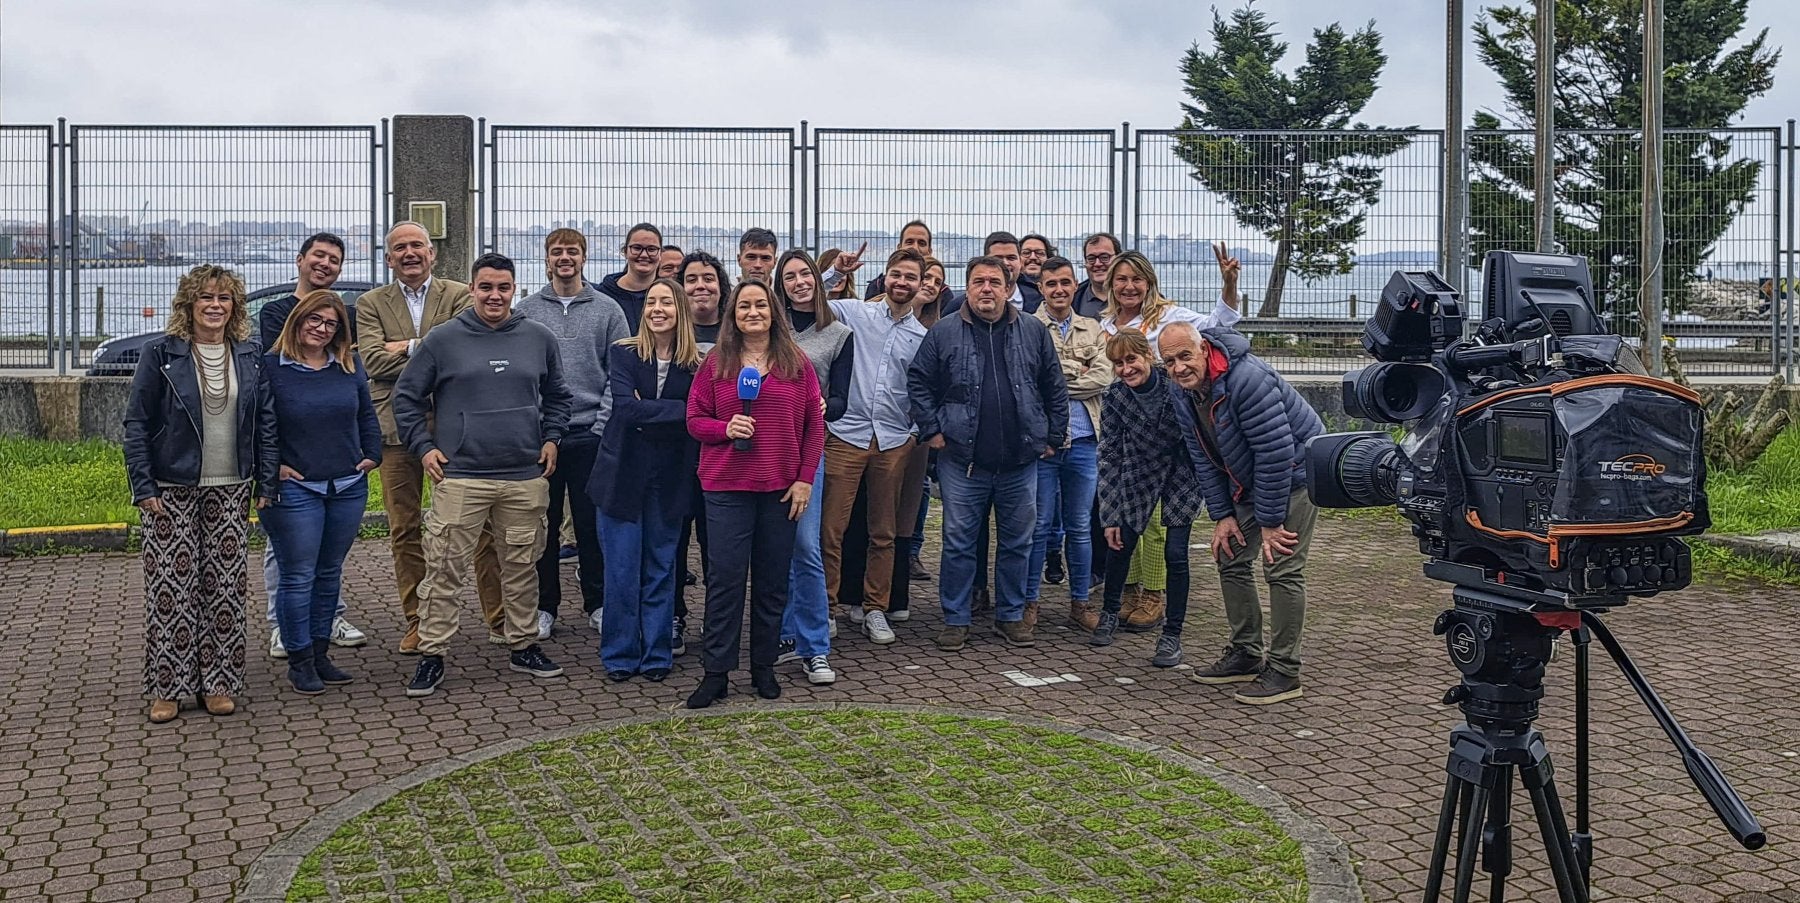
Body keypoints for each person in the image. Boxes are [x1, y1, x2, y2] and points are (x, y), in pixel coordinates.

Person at [392, 253, 573, 698]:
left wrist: (551, 438)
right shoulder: (443, 340)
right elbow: (407, 398)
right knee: (444, 568)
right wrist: (424, 447)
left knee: (521, 566)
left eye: (504, 288)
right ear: (471, 289)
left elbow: (558, 396)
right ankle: (432, 654)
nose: (495, 295)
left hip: (524, 475)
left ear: (515, 289)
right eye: (486, 287)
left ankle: (523, 644)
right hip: (462, 475)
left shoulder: (538, 337)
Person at [124, 264, 276, 723]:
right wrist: (143, 483)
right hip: (171, 487)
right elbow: (136, 424)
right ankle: (168, 687)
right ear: (188, 305)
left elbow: (265, 424)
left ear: (235, 307)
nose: (215, 306)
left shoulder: (249, 356)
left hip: (231, 487)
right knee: (172, 588)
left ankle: (219, 682)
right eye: (205, 297)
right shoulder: (160, 354)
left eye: (224, 298)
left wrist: (265, 482)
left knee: (225, 588)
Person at [356, 221, 509, 654]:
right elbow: (370, 361)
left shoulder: (460, 294)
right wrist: (430, 349)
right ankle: (418, 621)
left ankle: (499, 618)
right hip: (395, 430)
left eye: (417, 246)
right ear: (389, 258)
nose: (409, 253)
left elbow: (465, 353)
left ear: (432, 253)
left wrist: (403, 346)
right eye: (399, 247)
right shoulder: (370, 303)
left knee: (480, 526)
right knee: (404, 528)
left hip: (454, 426)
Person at [907, 255, 1068, 652]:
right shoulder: (944, 331)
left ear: (1008, 288)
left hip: (1020, 461)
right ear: (968, 287)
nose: (986, 289)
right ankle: (956, 619)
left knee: (1017, 542)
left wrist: (1052, 436)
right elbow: (918, 382)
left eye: (995, 282)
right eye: (978, 282)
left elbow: (1054, 385)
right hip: (963, 460)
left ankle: (1010, 616)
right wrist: (933, 431)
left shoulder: (1032, 330)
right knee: (958, 541)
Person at [1159, 322, 1322, 706]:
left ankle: (1284, 670)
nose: (1179, 367)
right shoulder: (1181, 390)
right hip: (1248, 478)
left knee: (1281, 567)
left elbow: (1276, 454)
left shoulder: (1247, 379)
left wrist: (1269, 523)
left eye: (1185, 356)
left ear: (1203, 350)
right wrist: (1222, 515)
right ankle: (1246, 652)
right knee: (1229, 554)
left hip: (1297, 473)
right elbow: (1202, 455)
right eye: (1169, 361)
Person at [684, 280, 824, 707]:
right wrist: (724, 429)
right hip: (726, 487)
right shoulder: (716, 364)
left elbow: (813, 427)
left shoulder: (797, 363)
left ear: (773, 312)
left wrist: (804, 480)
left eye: (760, 305)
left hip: (780, 490)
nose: (752, 312)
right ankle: (716, 673)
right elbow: (693, 419)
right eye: (743, 306)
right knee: (725, 582)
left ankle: (763, 667)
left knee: (771, 583)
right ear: (733, 314)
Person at [1095, 248, 1242, 628]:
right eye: (1122, 279)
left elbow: (1216, 327)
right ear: (1111, 284)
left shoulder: (1170, 317)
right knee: (1125, 524)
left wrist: (1228, 285)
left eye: (1136, 279)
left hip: (1165, 435)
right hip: (1123, 428)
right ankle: (1127, 592)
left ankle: (1154, 595)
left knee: (1160, 526)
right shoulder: (1104, 322)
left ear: (1149, 282)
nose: (1129, 287)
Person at [259, 290, 381, 695]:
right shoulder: (271, 368)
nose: (321, 329)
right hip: (295, 489)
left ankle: (321, 652)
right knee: (298, 575)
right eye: (314, 320)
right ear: (297, 319)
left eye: (330, 324)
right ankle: (299, 659)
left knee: (329, 572)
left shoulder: (348, 366)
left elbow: (365, 412)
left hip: (346, 485)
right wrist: (270, 467)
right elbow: (255, 424)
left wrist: (373, 454)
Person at [516, 228, 630, 640]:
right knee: (541, 529)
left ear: (584, 257)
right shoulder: (526, 310)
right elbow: (520, 375)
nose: (565, 258)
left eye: (573, 251)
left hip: (589, 435)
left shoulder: (607, 309)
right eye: (557, 252)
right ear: (546, 259)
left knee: (590, 527)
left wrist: (600, 428)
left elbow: (619, 376)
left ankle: (597, 603)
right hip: (542, 438)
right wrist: (538, 428)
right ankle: (545, 606)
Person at [592, 278, 702, 682]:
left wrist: (656, 410)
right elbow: (624, 409)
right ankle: (620, 654)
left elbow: (696, 417)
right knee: (621, 570)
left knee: (661, 567)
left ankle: (656, 653)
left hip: (670, 478)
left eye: (667, 303)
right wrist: (675, 412)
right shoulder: (623, 353)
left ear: (680, 311)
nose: (658, 309)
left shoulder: (697, 365)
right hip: (621, 475)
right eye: (652, 302)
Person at [821, 248, 929, 646]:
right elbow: (805, 296)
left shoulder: (922, 337)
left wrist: (914, 431)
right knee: (831, 529)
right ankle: (826, 607)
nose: (902, 283)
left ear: (921, 285)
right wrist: (835, 271)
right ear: (884, 277)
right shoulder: (855, 313)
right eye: (896, 275)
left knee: (883, 532)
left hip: (892, 441)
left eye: (910, 277)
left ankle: (875, 608)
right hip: (846, 435)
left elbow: (924, 388)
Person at [1090, 328, 1205, 668]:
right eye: (1118, 363)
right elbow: (1108, 454)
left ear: (1147, 357)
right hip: (1137, 472)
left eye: (1132, 360)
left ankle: (1172, 633)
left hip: (1181, 473)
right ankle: (1110, 612)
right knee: (1119, 542)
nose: (1126, 369)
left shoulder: (1176, 388)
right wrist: (1109, 514)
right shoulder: (1114, 397)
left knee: (1175, 553)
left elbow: (1201, 438)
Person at [773, 250, 854, 683]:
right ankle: (785, 634)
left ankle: (815, 645)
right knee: (775, 548)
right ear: (780, 284)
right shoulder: (768, 328)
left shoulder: (839, 334)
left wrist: (825, 406)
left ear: (818, 280)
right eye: (790, 276)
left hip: (809, 449)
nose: (800, 282)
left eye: (806, 274)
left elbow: (842, 400)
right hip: (763, 451)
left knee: (806, 545)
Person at [1026, 256, 1112, 632]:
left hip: (1084, 443)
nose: (1058, 290)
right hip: (1044, 445)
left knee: (1079, 527)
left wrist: (1058, 381)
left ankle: (1080, 603)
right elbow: (1029, 381)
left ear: (1074, 286)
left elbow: (1105, 376)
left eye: (1065, 283)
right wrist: (1078, 370)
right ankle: (1029, 603)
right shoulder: (1027, 326)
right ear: (1041, 288)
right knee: (1038, 526)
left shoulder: (1093, 327)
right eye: (1051, 284)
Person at [943, 231, 1040, 316]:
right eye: (998, 258)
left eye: (1011, 258)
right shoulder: (957, 307)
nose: (1005, 263)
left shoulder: (1039, 300)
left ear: (1020, 262)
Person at [598, 222, 663, 329]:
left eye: (651, 249)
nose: (644, 255)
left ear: (660, 254)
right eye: (637, 248)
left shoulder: (672, 295)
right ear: (625, 251)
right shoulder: (603, 295)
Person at [680, 250, 729, 352]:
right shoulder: (671, 333)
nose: (700, 286)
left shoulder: (735, 332)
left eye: (708, 279)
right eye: (692, 280)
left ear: (721, 287)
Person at [1074, 233, 1121, 320]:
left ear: (1118, 259)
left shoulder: (1132, 296)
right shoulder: (1074, 298)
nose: (1097, 263)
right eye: (1091, 258)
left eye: (1104, 257)